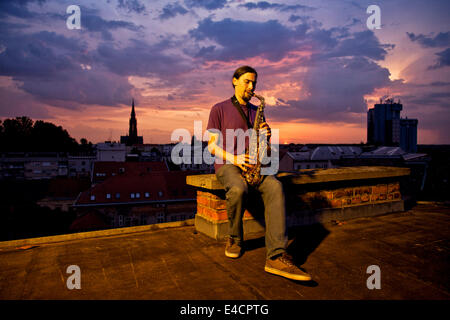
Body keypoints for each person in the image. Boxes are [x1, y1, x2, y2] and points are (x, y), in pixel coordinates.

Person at [206, 66, 312, 281]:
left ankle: (276, 255)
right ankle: (235, 238)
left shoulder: (256, 112)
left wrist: (266, 137)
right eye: (246, 81)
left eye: (254, 82)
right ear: (234, 81)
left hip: (253, 165)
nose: (251, 86)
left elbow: (264, 151)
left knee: (275, 186)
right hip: (228, 163)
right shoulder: (218, 109)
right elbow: (211, 147)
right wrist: (235, 159)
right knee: (237, 188)